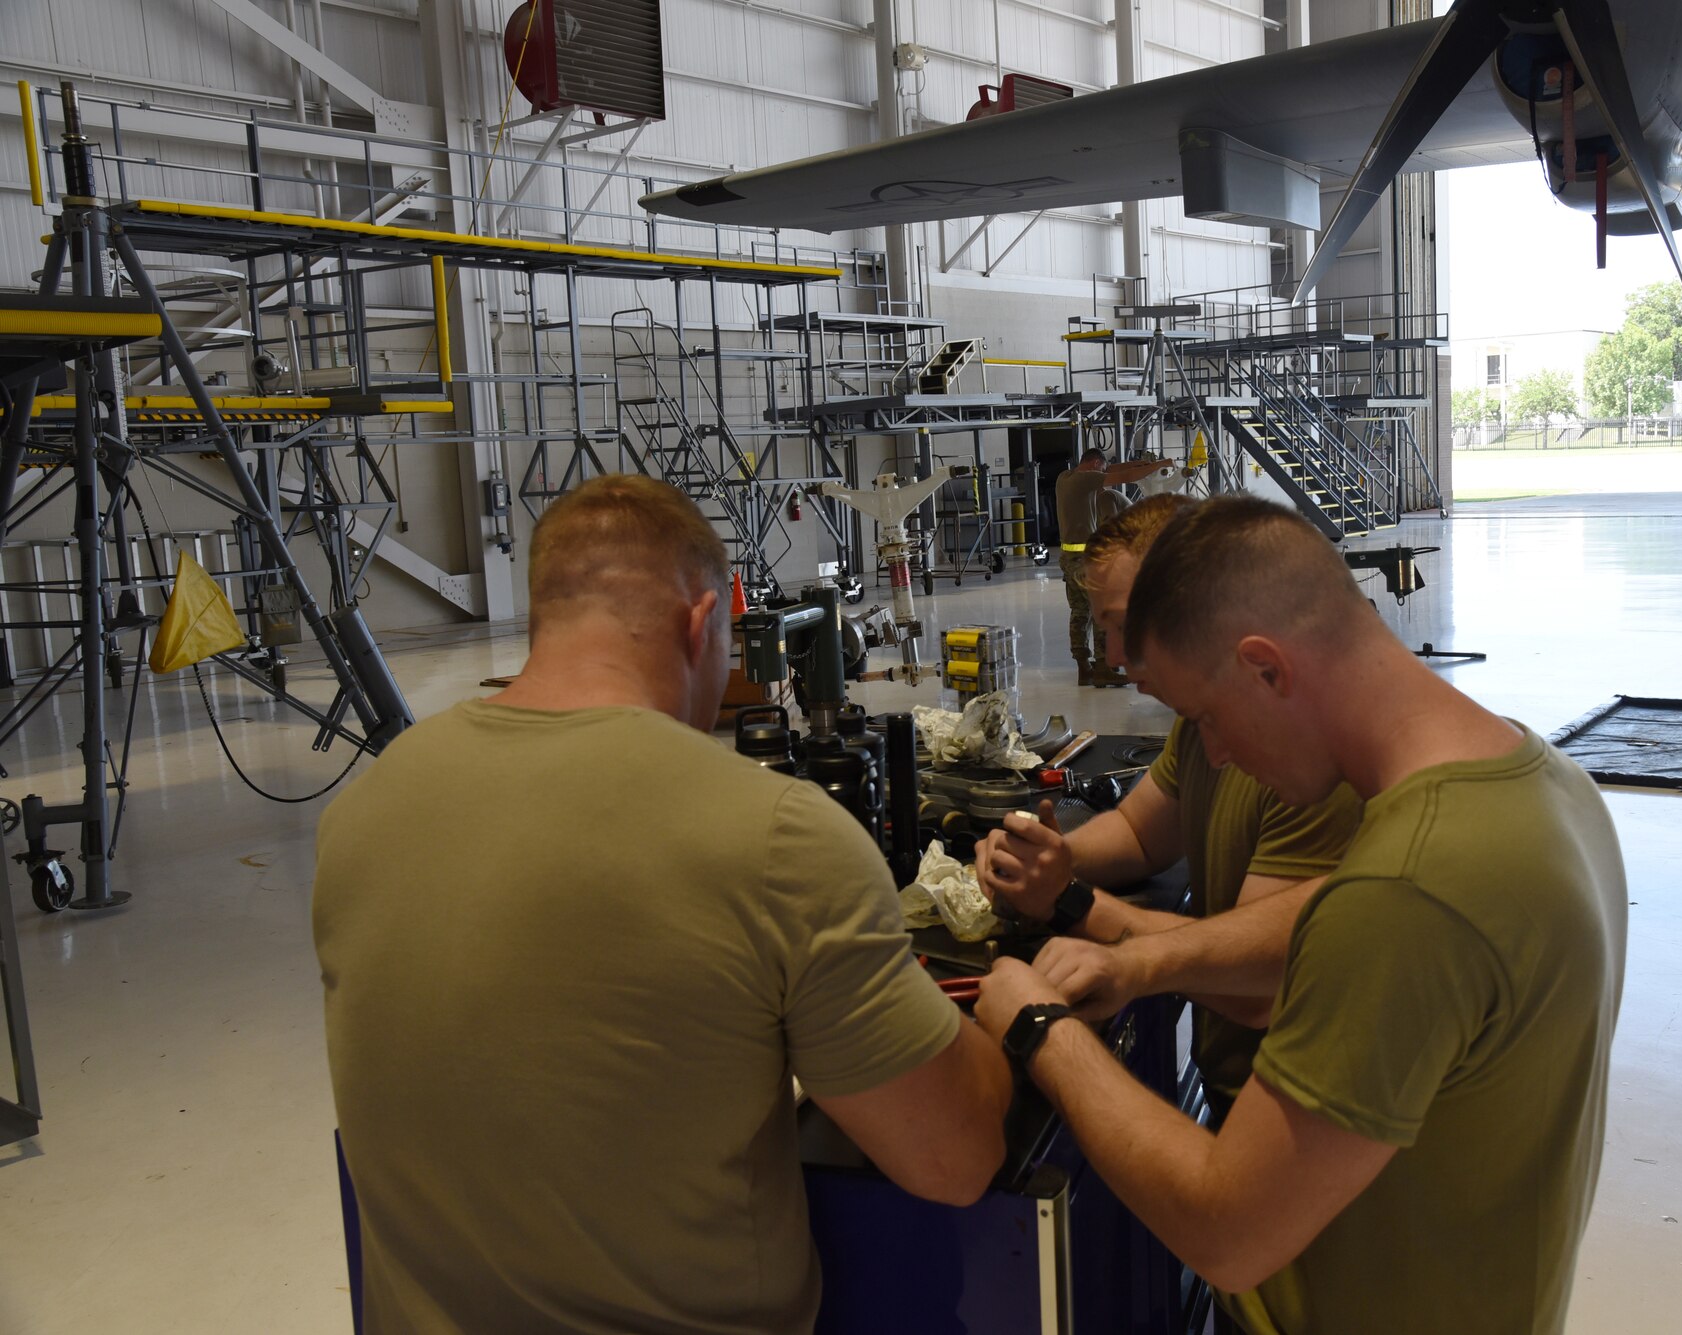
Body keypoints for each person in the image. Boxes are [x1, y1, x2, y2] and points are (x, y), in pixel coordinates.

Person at [314, 474, 1011, 1335]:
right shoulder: (776, 836)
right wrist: (1018, 1018)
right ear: (701, 622)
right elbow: (955, 1158)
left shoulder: (361, 815)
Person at [975, 496, 1628, 1334]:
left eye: (1207, 717)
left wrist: (1040, 1028)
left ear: (1266, 667)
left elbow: (1227, 1228)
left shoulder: (1405, 890)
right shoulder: (1545, 785)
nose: (1211, 752)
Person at [975, 493, 1361, 1120]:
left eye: (1126, 625)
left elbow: (1253, 984)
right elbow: (1140, 833)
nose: (1114, 657)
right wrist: (1051, 858)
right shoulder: (1202, 724)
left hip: (1289, 1112)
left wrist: (1071, 902)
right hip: (1233, 1086)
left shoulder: (1313, 760)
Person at [1053, 446, 1160, 686]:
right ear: (1093, 466)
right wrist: (1157, 467)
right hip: (1084, 560)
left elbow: (1113, 470)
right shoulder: (1087, 479)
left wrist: (1140, 463)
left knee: (1080, 614)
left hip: (1067, 559)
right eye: (1101, 471)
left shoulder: (1064, 477)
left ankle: (1084, 668)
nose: (1103, 480)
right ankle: (1103, 668)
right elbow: (1123, 477)